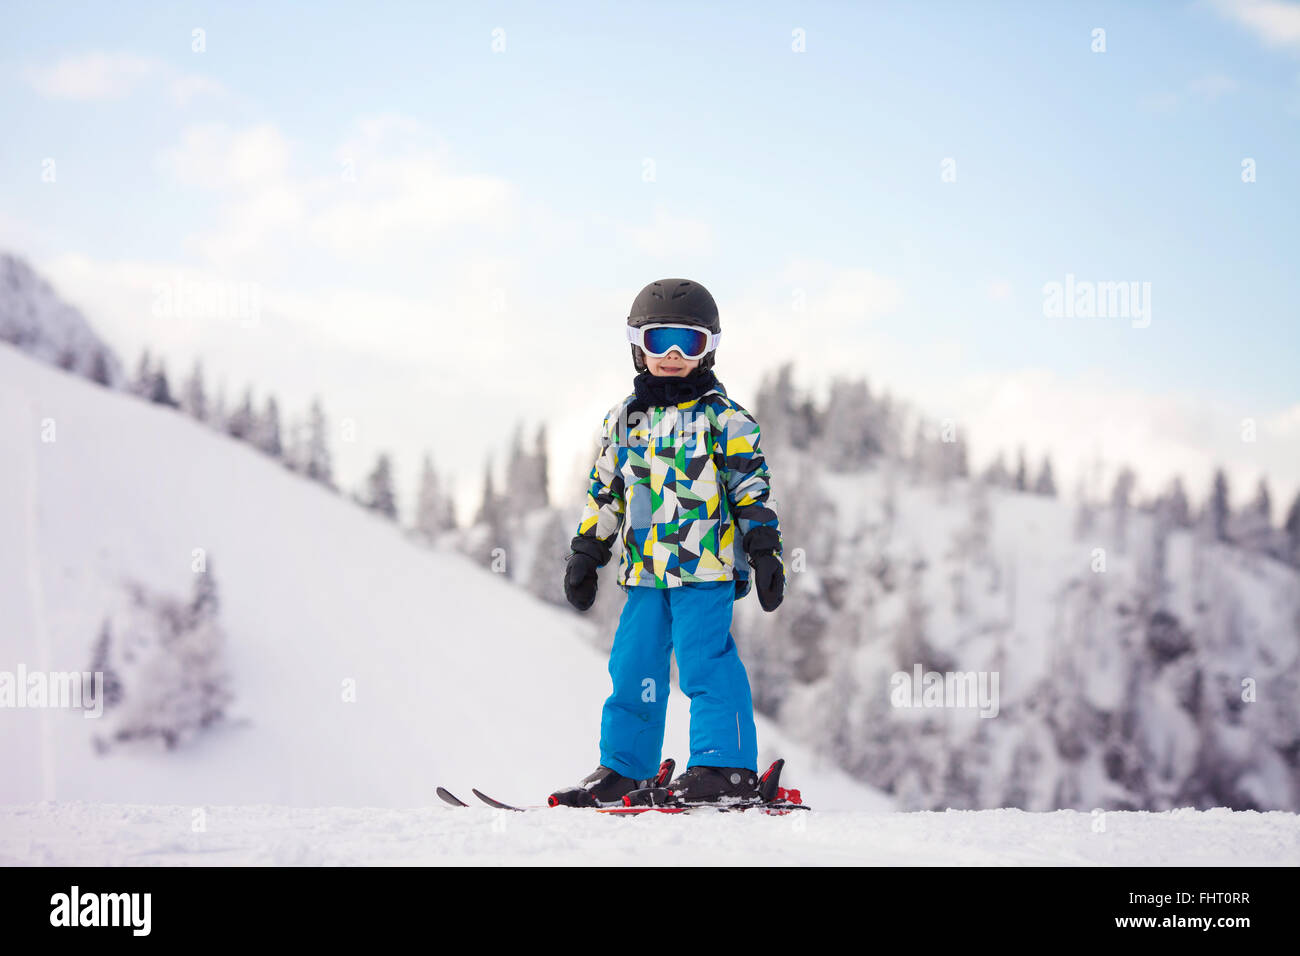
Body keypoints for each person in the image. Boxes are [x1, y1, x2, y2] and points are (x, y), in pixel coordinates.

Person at [551, 278, 784, 807]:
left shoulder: (724, 419)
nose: (674, 355)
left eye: (689, 342)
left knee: (706, 665)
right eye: (661, 341)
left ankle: (724, 766)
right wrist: (587, 553)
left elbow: (750, 488)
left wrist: (766, 550)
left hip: (707, 568)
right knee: (633, 669)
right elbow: (605, 491)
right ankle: (624, 769)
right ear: (638, 346)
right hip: (644, 574)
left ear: (709, 349)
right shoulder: (623, 420)